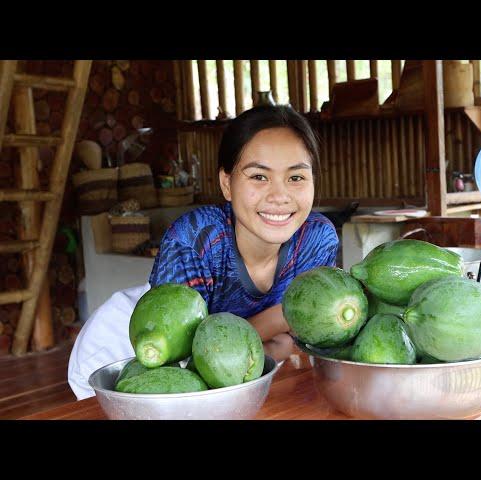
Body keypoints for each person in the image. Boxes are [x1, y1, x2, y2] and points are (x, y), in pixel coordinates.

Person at [68, 105, 339, 399]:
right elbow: (193, 360)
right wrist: (279, 324)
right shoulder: (197, 238)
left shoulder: (316, 239)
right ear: (227, 183)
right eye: (259, 177)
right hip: (128, 350)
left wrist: (280, 338)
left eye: (296, 177)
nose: (279, 196)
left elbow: (308, 331)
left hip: (230, 367)